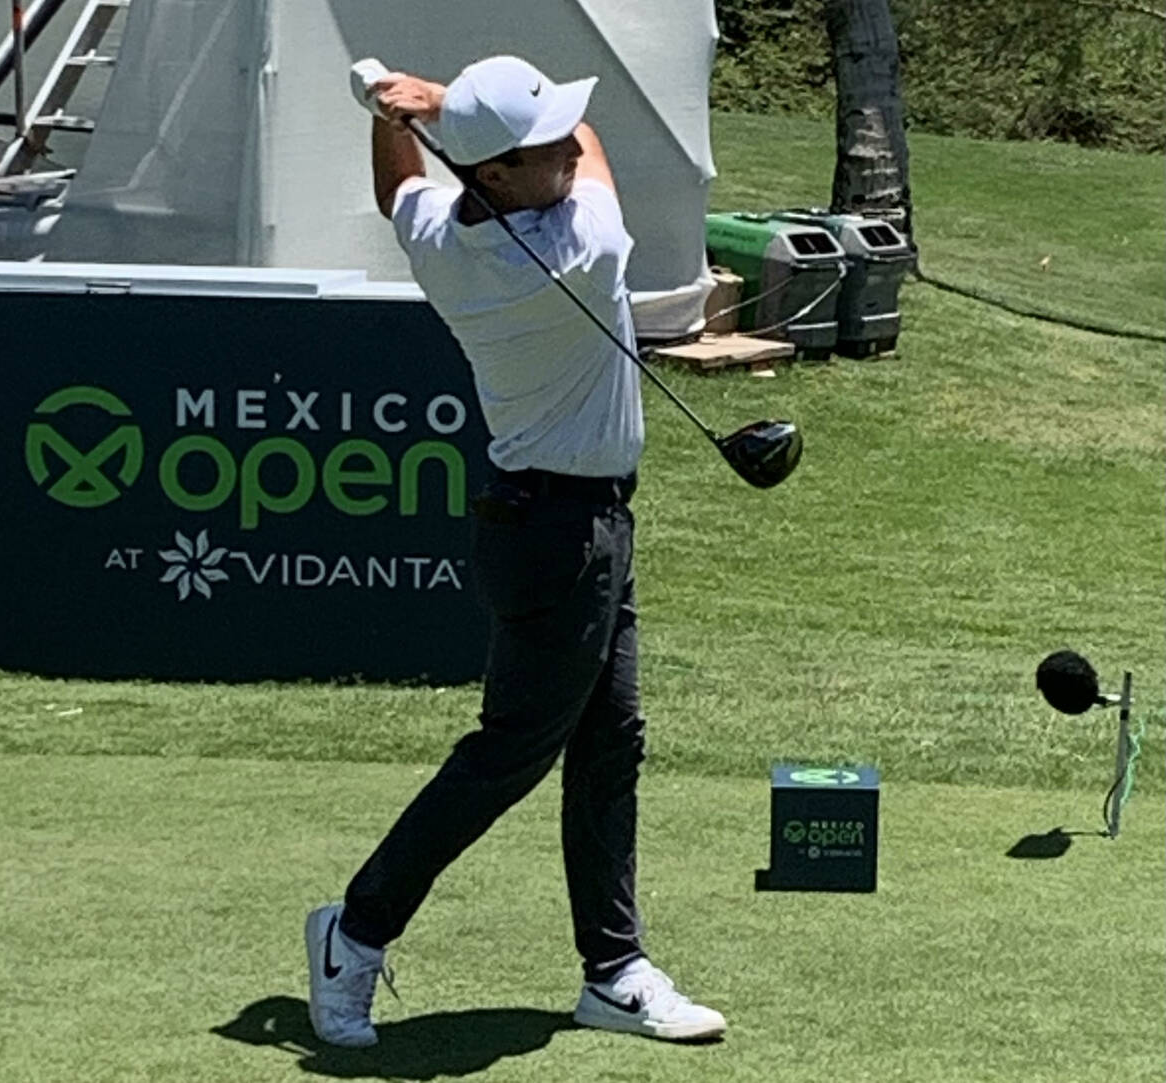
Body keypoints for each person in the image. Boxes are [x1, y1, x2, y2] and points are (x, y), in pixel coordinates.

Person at [305, 54, 726, 1048]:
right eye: (533, 147)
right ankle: (353, 934)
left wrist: (397, 111)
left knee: (610, 739)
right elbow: (592, 150)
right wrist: (436, 102)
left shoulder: (441, 243)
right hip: (558, 539)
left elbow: (398, 184)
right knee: (509, 756)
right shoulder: (586, 243)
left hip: (571, 527)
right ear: (494, 175)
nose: (560, 148)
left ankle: (613, 967)